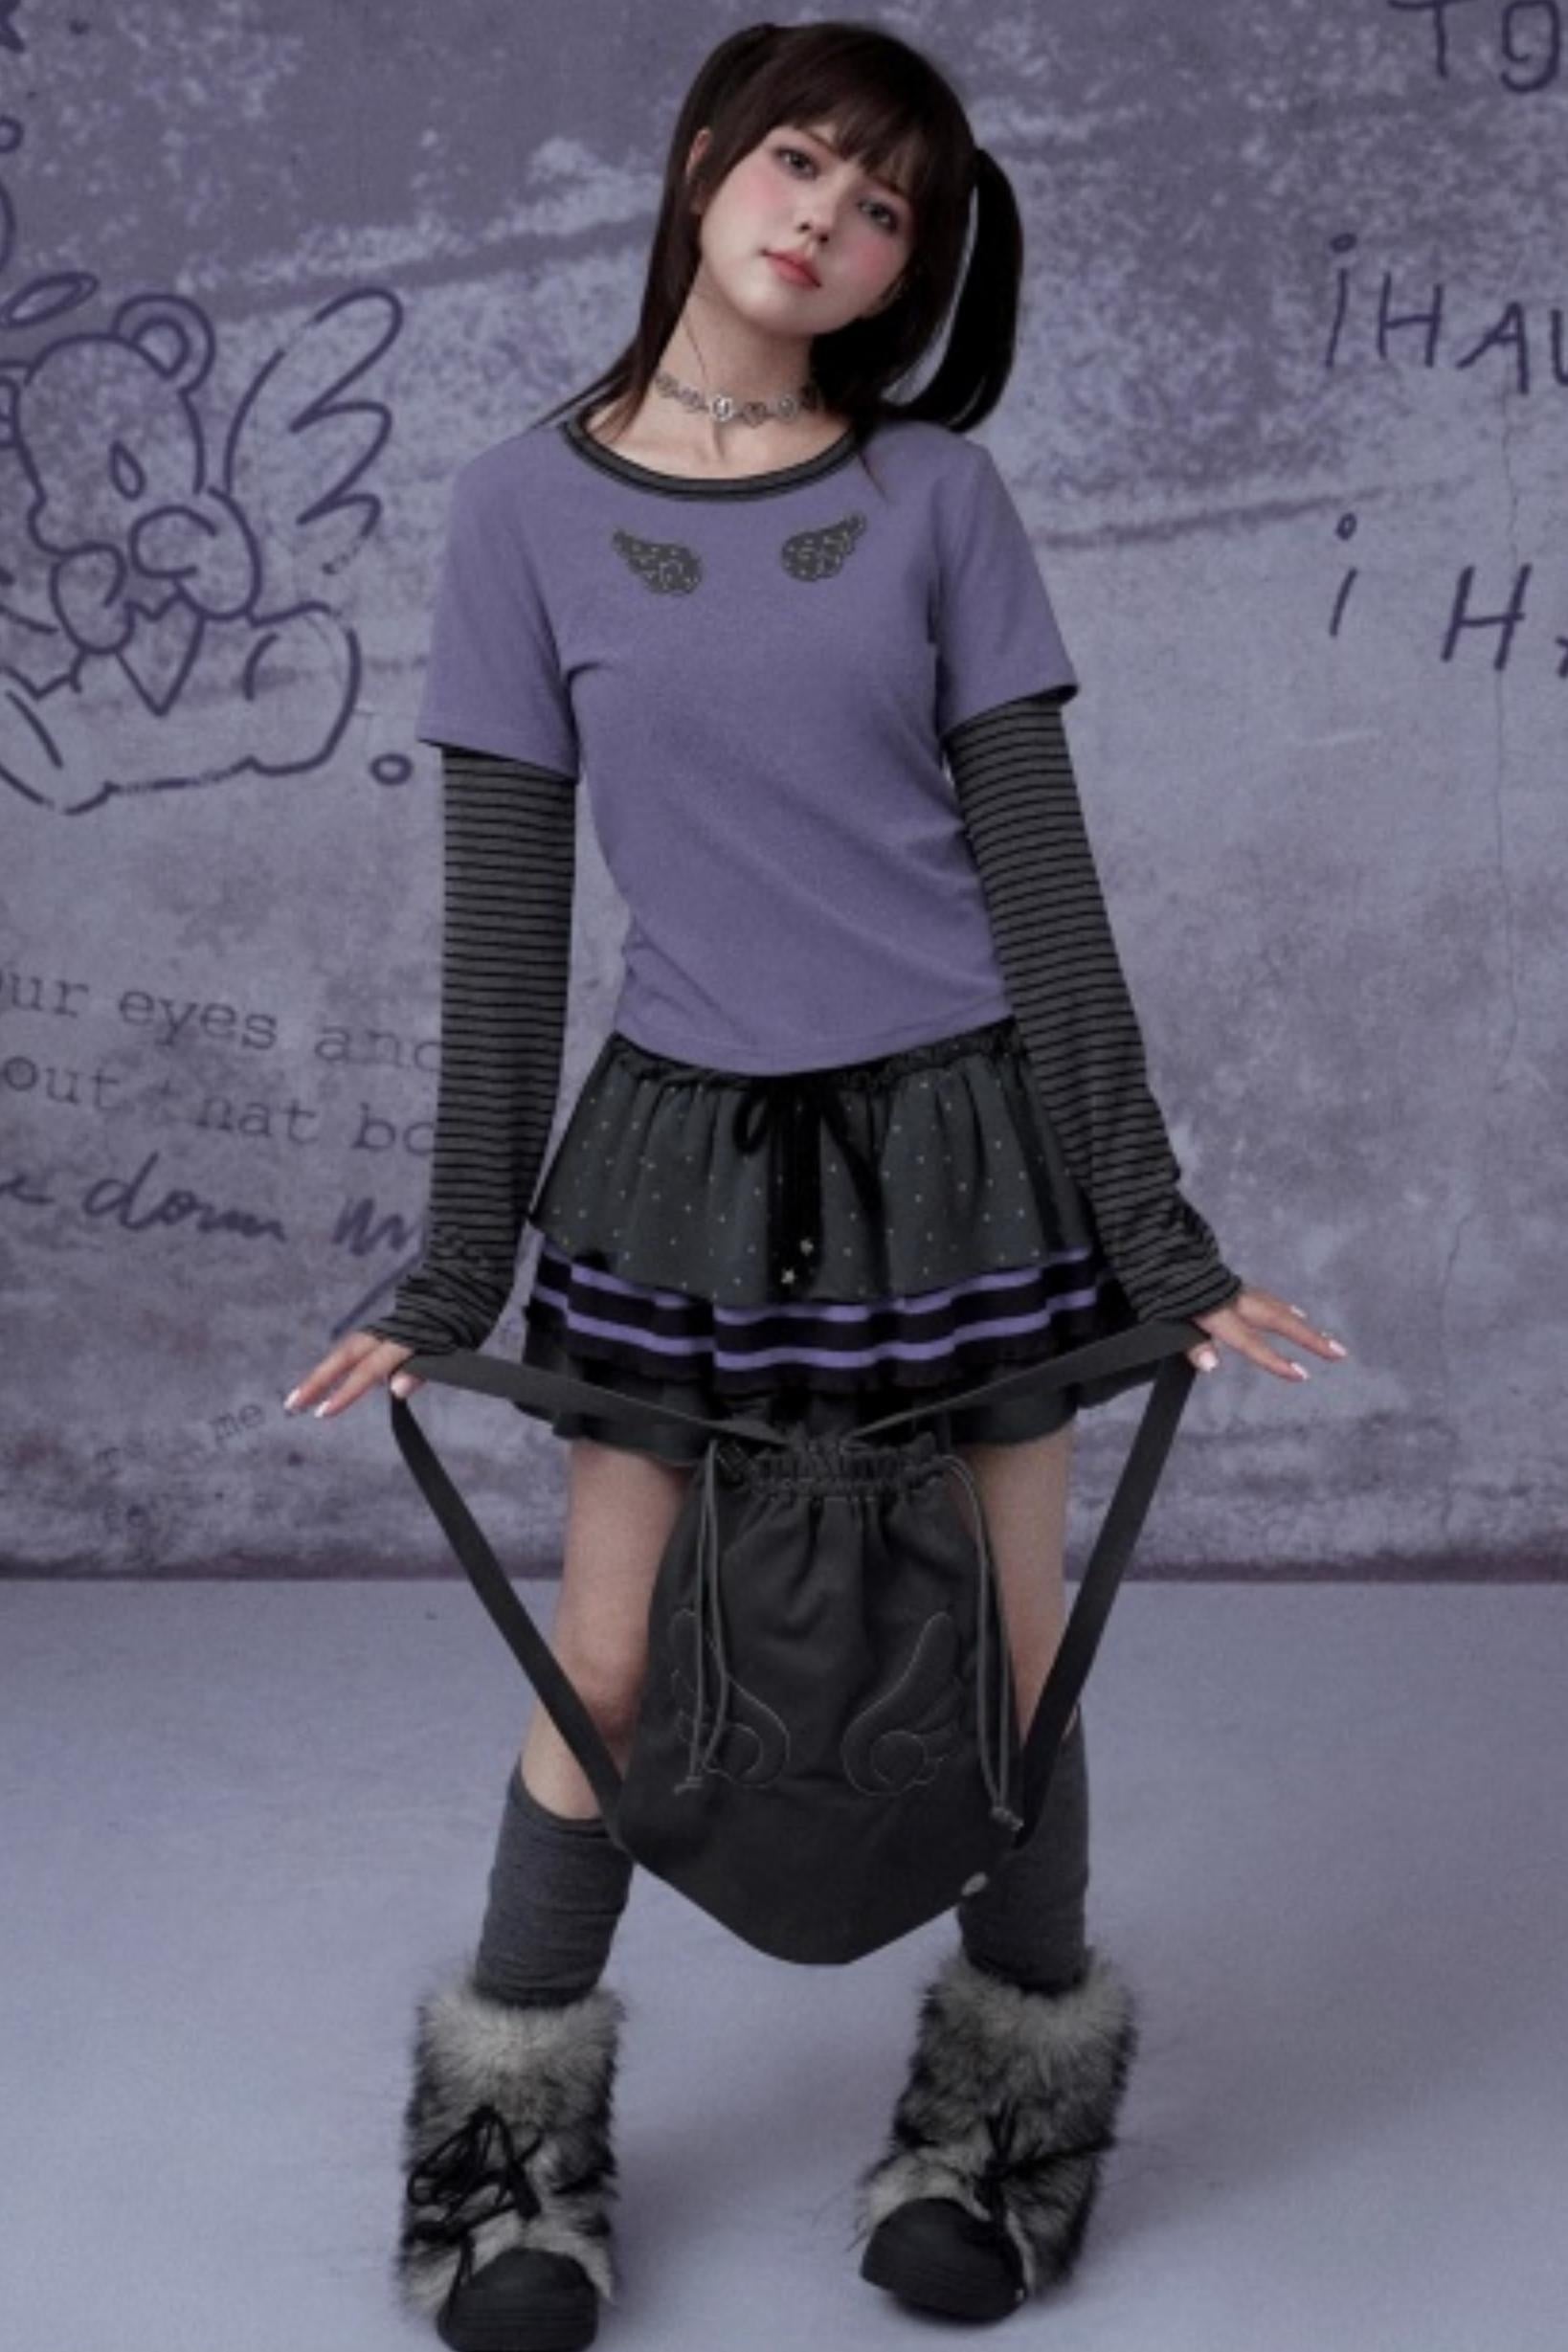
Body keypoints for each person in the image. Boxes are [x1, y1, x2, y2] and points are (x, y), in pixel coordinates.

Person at [284, 19, 1350, 2345]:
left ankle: (1006, 2110)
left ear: (904, 272)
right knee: (607, 1666)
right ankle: (510, 2153)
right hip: (677, 1167)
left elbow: (1042, 886)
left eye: (888, 215)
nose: (829, 226)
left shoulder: (941, 498)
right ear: (700, 164)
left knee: (1008, 1661)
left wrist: (1155, 1234)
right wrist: (456, 1266)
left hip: (968, 1154)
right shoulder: (516, 510)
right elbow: (507, 929)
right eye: (801, 164)